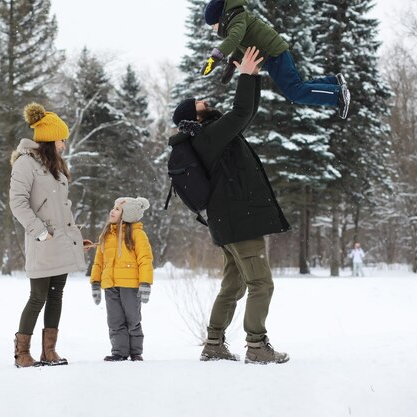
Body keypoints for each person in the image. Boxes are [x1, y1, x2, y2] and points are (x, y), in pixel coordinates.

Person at [171, 46, 290, 364]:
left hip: (229, 222)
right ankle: (256, 346)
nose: (206, 103)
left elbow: (245, 114)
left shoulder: (210, 136)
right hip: (239, 221)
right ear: (193, 117)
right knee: (261, 283)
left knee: (233, 286)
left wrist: (254, 77)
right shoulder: (206, 137)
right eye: (200, 104)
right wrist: (245, 75)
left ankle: (213, 344)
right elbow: (239, 114)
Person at [9, 103, 91, 368]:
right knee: (38, 297)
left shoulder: (56, 166)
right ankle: (22, 354)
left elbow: (61, 210)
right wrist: (40, 232)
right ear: (49, 139)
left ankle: (49, 351)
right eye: (61, 139)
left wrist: (75, 239)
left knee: (57, 295)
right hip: (42, 242)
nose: (64, 144)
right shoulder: (25, 164)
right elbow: (18, 203)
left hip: (60, 240)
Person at [201, 0, 351, 119]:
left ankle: (337, 95)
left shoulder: (237, 22)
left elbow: (234, 39)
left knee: (294, 92)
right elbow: (240, 44)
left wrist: (214, 59)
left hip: (274, 54)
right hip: (273, 55)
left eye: (213, 25)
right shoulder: (238, 20)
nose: (214, 29)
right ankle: (334, 82)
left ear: (222, 18)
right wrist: (231, 65)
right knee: (298, 86)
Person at [90, 197, 154, 362]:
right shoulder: (106, 235)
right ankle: (119, 352)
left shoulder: (137, 234)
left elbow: (145, 260)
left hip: (130, 286)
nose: (113, 211)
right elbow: (98, 262)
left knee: (133, 319)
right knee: (115, 320)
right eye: (114, 207)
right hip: (110, 285)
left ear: (127, 215)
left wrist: (145, 283)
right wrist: (95, 283)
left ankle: (135, 352)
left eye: (118, 209)